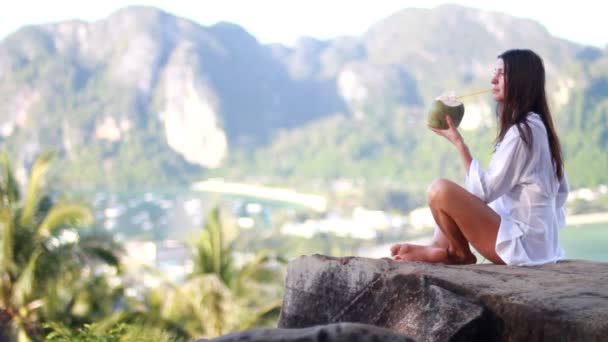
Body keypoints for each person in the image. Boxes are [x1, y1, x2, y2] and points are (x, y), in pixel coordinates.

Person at [390, 49, 569, 266]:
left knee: (439, 190)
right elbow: (561, 192)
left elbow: (484, 192)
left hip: (522, 246)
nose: (493, 79)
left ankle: (459, 254)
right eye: (495, 72)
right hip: (539, 245)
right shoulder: (538, 127)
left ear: (521, 80)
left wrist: (459, 143)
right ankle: (438, 248)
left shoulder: (523, 132)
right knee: (453, 195)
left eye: (501, 74)